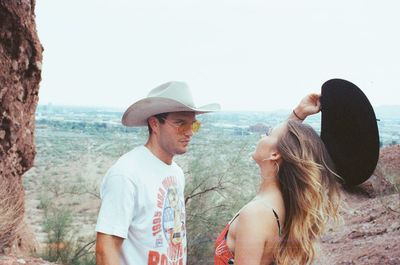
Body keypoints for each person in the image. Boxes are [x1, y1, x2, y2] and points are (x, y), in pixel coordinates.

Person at [95, 81, 220, 265]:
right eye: (180, 124)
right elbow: (106, 249)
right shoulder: (126, 174)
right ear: (154, 124)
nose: (189, 133)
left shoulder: (176, 173)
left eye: (193, 125)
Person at [214, 94, 341, 265]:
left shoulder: (255, 214)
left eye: (268, 134)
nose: (262, 137)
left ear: (274, 154)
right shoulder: (281, 201)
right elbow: (285, 143)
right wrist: (298, 114)